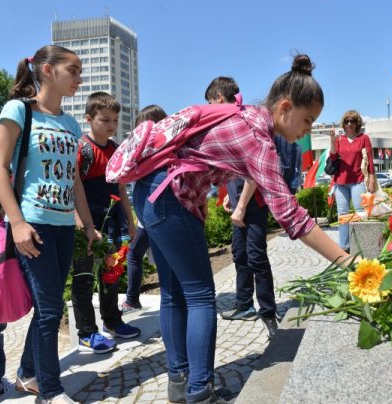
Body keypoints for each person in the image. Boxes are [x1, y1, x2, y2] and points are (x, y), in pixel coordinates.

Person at [132, 54, 349, 403]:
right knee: (201, 296)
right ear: (284, 107)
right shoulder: (259, 139)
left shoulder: (242, 113)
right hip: (170, 199)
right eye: (307, 121)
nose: (307, 131)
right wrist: (345, 261)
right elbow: (290, 215)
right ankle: (200, 391)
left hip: (148, 192)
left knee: (173, 294)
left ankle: (179, 381)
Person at [0, 45, 100, 404]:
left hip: (63, 227)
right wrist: (18, 222)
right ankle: (51, 390)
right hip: (34, 223)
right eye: (72, 70)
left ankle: (27, 373)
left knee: (49, 305)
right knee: (51, 310)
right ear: (46, 70)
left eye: (79, 71)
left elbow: (74, 181)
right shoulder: (18, 111)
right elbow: (0, 167)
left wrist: (87, 225)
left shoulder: (70, 124)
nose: (79, 77)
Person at [208, 77, 302, 340]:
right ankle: (244, 304)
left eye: (210, 102)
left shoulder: (244, 119)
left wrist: (241, 207)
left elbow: (253, 172)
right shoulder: (231, 120)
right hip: (239, 201)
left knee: (256, 256)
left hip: (254, 203)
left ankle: (269, 311)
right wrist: (229, 196)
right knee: (239, 254)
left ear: (218, 97)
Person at [71, 92, 140, 354]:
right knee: (84, 278)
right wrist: (80, 224)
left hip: (112, 222)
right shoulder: (82, 150)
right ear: (89, 119)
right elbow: (72, 188)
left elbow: (121, 188)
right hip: (87, 225)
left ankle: (112, 321)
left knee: (111, 274)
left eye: (114, 120)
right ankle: (87, 332)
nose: (111, 125)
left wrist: (130, 221)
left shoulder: (116, 149)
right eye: (104, 120)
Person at [121, 105, 167, 312]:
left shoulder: (148, 150)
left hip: (151, 213)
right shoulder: (170, 145)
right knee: (154, 255)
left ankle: (132, 299)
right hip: (158, 212)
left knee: (135, 254)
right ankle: (135, 299)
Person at [328, 110, 375, 253]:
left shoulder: (363, 138)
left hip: (358, 181)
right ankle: (344, 247)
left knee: (360, 213)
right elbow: (333, 157)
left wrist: (372, 178)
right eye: (346, 121)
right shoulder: (339, 140)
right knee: (343, 215)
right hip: (340, 182)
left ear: (357, 123)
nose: (349, 124)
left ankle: (361, 245)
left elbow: (370, 160)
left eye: (352, 121)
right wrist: (332, 140)